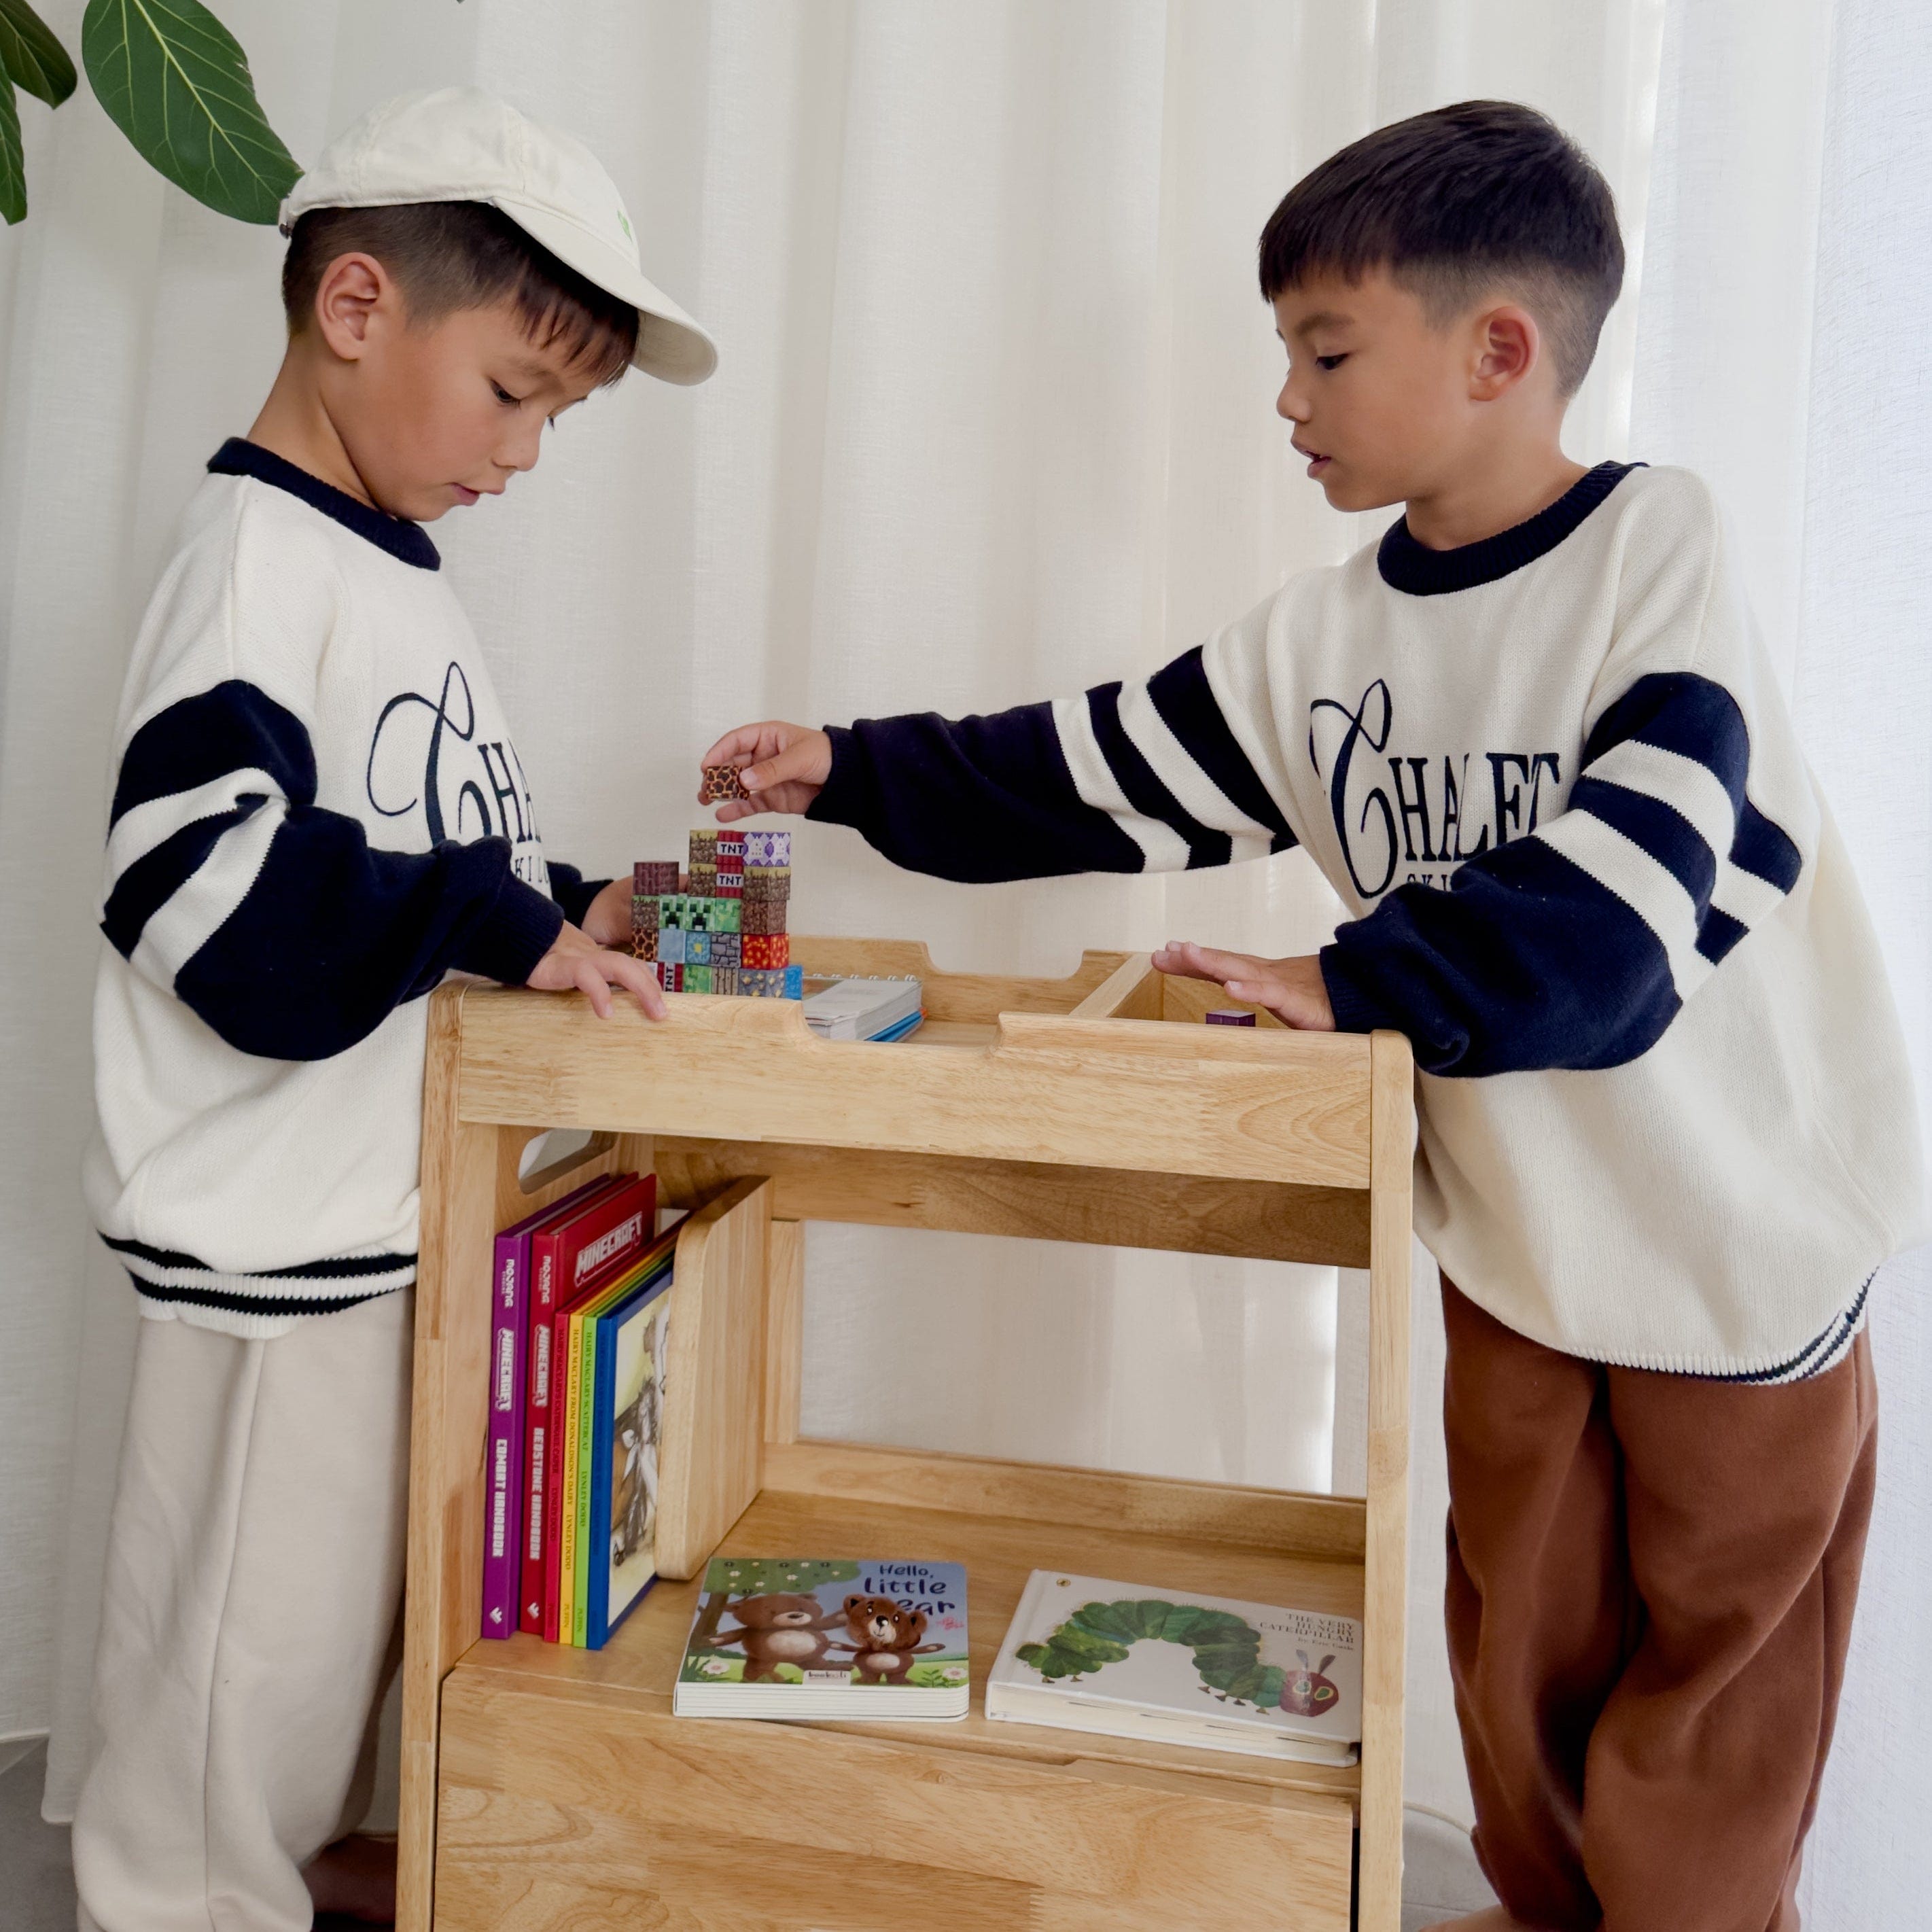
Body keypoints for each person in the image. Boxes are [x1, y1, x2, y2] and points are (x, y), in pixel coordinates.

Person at [701, 101, 1924, 1932]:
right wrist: (852, 769)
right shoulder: (1322, 639)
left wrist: (1351, 979)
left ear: (1496, 351)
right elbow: (1089, 768)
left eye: (1326, 352)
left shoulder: (1653, 555)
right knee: (1517, 1632)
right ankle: (1545, 1908)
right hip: (1524, 1241)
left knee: (1714, 1680)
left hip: (1735, 1242)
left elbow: (1612, 930)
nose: (1286, 398)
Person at [74, 88, 683, 1931]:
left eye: (556, 416)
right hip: (272, 1238)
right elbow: (199, 887)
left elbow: (412, 853)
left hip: (372, 1214)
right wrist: (489, 912)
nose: (527, 451)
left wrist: (560, 906)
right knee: (235, 1668)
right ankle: (179, 1904)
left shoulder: (379, 563)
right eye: (512, 391)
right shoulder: (253, 565)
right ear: (357, 308)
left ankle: (291, 1872)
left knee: (330, 1641)